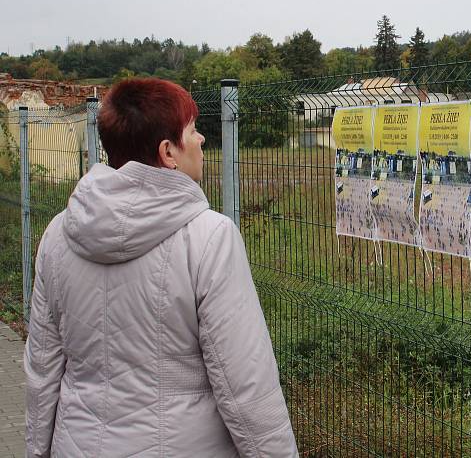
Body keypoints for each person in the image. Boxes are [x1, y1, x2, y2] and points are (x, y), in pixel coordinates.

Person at [24, 78, 298, 457]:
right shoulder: (209, 238)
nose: (202, 139)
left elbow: (42, 368)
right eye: (192, 130)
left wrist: (36, 451)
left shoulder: (59, 234)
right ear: (168, 151)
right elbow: (246, 386)